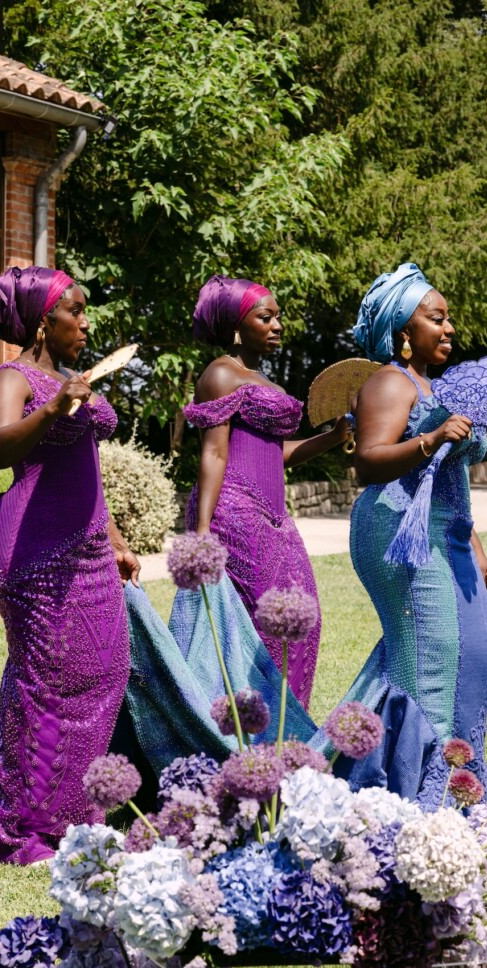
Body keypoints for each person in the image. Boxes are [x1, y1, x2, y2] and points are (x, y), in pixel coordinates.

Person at [0, 265, 140, 865]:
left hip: (89, 548)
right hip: (33, 553)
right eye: (74, 310)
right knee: (46, 685)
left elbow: (86, 467)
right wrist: (51, 410)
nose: (85, 320)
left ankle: (75, 813)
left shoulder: (76, 377)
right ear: (44, 321)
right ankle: (24, 824)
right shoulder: (11, 375)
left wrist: (117, 537)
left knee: (103, 675)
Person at [347, 262, 487, 805]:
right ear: (403, 333)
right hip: (398, 532)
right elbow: (367, 462)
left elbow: (450, 478)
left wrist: (473, 541)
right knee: (433, 662)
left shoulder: (435, 385)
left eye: (449, 318)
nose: (449, 327)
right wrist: (432, 436)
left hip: (448, 535)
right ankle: (419, 800)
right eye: (436, 318)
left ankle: (454, 785)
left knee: (482, 655)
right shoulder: (389, 381)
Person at [183, 275, 349, 708]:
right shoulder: (221, 372)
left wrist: (333, 438)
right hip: (235, 514)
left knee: (301, 623)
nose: (277, 325)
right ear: (238, 327)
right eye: (266, 317)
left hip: (275, 518)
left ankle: (285, 736)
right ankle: (254, 740)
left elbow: (277, 455)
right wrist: (202, 531)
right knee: (269, 630)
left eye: (278, 317)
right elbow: (215, 453)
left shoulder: (255, 376)